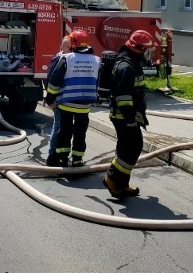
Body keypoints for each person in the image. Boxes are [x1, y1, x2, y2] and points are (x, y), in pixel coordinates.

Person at [103, 29, 156, 199]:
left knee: (127, 148)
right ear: (138, 49)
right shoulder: (126, 66)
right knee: (132, 148)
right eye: (147, 50)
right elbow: (123, 97)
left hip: (127, 116)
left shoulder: (131, 63)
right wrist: (130, 120)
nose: (149, 54)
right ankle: (112, 178)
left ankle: (121, 184)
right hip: (124, 116)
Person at [44, 30, 100, 168]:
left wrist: (50, 98)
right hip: (84, 106)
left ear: (73, 43)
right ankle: (77, 160)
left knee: (64, 132)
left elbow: (54, 82)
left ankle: (63, 159)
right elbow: (98, 82)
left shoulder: (66, 59)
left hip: (66, 104)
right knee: (80, 134)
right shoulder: (96, 60)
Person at [44, 36, 71, 165]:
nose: (72, 49)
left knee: (63, 128)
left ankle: (59, 155)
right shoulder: (59, 59)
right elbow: (49, 79)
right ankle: (52, 155)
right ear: (63, 47)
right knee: (58, 126)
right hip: (58, 101)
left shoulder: (68, 59)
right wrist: (50, 100)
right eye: (69, 47)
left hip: (64, 101)